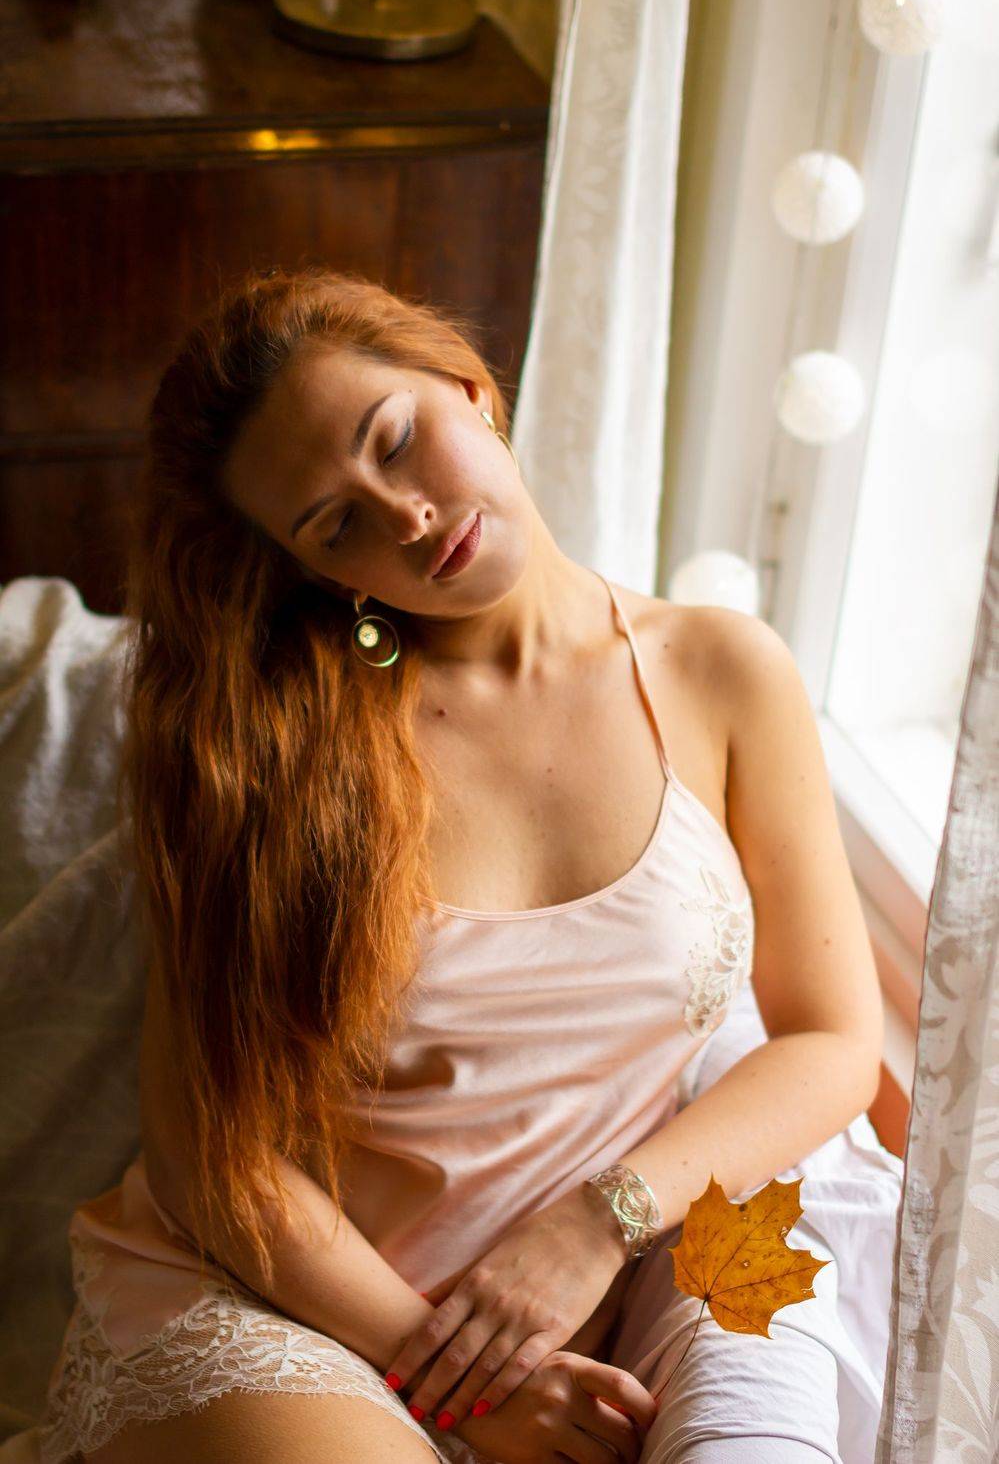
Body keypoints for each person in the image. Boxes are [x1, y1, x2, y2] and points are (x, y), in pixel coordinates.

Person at [36, 267, 902, 1464]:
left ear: (468, 386)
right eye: (334, 523)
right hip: (294, 1309)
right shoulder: (264, 749)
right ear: (321, 573)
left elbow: (831, 1042)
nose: (404, 515)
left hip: (595, 1287)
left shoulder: (720, 672)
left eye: (394, 440)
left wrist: (601, 1222)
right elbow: (206, 1154)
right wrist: (446, 1375)